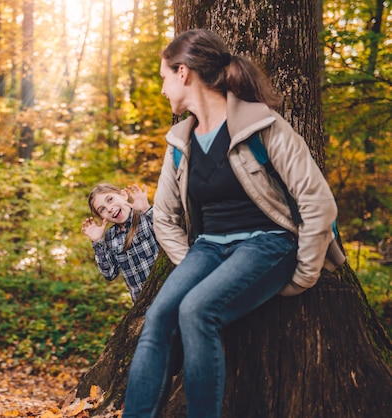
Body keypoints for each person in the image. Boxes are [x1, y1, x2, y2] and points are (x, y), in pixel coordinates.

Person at [122, 29, 341, 418]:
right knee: (157, 316)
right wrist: (190, 263)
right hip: (209, 248)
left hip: (267, 244)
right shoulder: (180, 142)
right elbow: (166, 219)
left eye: (163, 78)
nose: (161, 89)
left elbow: (317, 201)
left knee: (196, 311)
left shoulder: (263, 125)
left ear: (184, 73)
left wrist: (305, 272)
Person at [82, 183, 160, 304]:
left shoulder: (146, 217)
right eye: (102, 209)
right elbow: (110, 274)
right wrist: (97, 242)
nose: (109, 208)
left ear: (123, 195)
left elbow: (169, 231)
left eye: (110, 199)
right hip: (143, 305)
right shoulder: (110, 237)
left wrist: (146, 209)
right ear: (102, 217)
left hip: (166, 290)